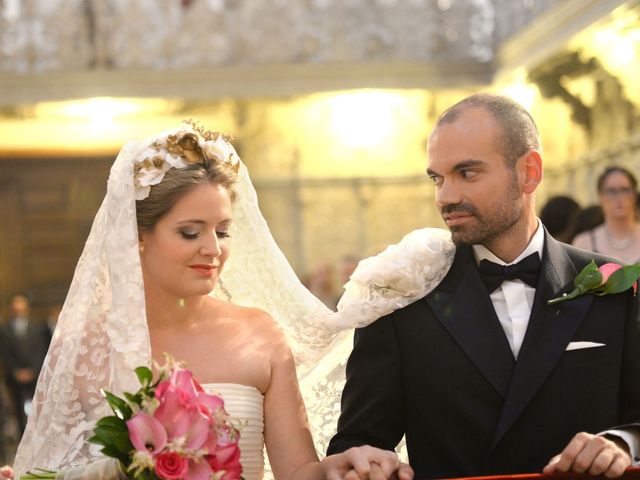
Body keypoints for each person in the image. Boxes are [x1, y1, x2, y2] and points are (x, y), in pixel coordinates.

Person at [9, 124, 412, 480]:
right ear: (139, 236)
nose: (213, 249)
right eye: (190, 232)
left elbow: (299, 472)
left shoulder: (259, 333)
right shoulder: (87, 348)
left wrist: (342, 466)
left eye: (222, 231)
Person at [328, 93, 640, 478]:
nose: (446, 196)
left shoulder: (618, 289)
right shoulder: (400, 297)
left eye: (467, 173)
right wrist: (369, 464)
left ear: (530, 172)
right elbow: (357, 442)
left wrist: (624, 443)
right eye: (437, 178)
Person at [0, 294, 49, 432]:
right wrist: (16, 371)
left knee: (39, 409)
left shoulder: (38, 327)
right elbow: (5, 353)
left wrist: (33, 370)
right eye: (16, 307)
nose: (19, 310)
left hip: (36, 376)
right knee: (19, 412)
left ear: (27, 308)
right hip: (15, 377)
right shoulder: (4, 330)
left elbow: (42, 349)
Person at [573, 167, 640, 263]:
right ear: (600, 196)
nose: (619, 198)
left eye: (625, 190)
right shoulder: (584, 243)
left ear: (634, 194)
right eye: (611, 191)